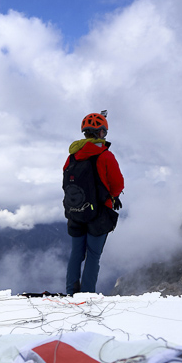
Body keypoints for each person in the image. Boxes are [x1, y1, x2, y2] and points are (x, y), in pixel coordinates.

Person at [61, 110, 124, 295]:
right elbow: (118, 184)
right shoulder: (105, 156)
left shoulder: (72, 155)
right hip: (99, 213)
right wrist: (112, 196)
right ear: (101, 133)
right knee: (93, 256)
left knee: (76, 254)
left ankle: (71, 291)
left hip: (75, 211)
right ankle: (87, 294)